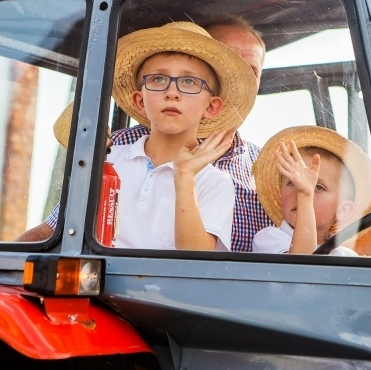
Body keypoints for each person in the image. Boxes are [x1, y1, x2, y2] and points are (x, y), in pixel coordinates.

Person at [23, 15, 273, 249]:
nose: (172, 92)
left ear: (213, 102)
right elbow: (60, 229)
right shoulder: (111, 152)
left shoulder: (269, 172)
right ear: (140, 99)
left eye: (189, 81)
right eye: (159, 79)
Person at [251, 125, 371, 256]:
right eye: (292, 182)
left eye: (318, 187)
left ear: (342, 210)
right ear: (280, 194)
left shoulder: (348, 257)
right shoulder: (270, 238)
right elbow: (302, 267)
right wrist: (305, 196)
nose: (299, 191)